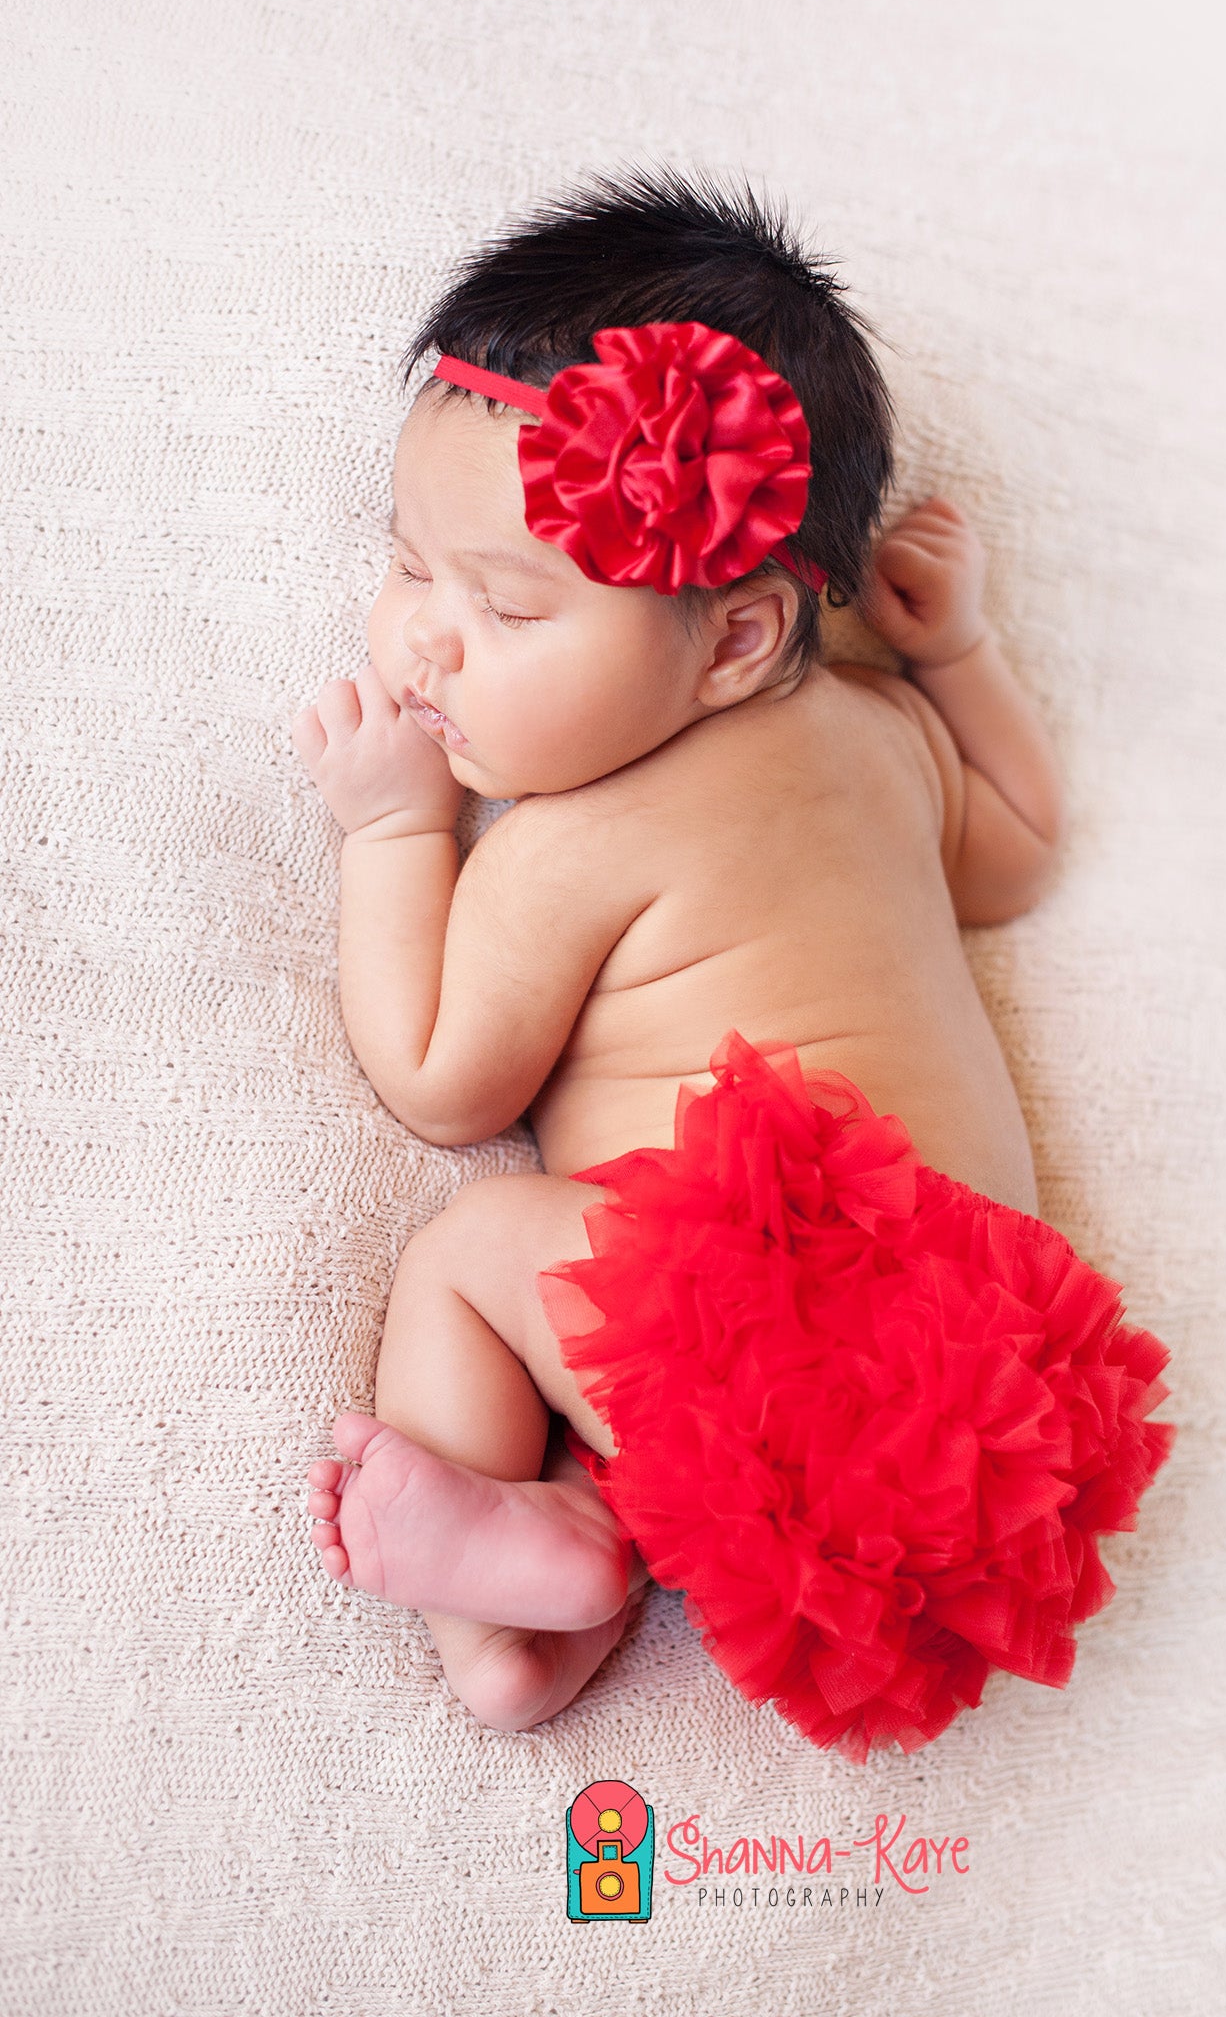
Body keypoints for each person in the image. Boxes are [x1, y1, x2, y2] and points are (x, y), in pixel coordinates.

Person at [293, 167, 1174, 1765]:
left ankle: (513, 1604)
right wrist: (957, 652)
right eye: (411, 565)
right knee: (655, 1359)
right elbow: (1026, 848)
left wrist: (391, 835)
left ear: (739, 638)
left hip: (778, 1354)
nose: (422, 640)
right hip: (986, 1420)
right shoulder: (885, 738)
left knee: (475, 1246)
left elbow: (437, 1077)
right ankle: (576, 1577)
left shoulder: (572, 837)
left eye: (505, 605)